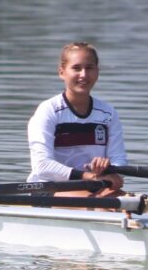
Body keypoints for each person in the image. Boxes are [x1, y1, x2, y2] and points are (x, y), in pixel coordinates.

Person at [27, 42, 126, 197]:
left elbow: (119, 160)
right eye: (76, 68)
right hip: (48, 189)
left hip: (95, 186)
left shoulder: (108, 113)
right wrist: (86, 176)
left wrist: (111, 171)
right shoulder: (48, 111)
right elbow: (42, 165)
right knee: (103, 206)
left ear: (97, 72)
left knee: (134, 205)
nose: (84, 75)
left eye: (89, 68)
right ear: (62, 72)